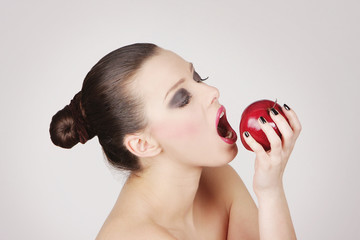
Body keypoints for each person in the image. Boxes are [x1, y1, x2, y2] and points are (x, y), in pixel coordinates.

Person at [50, 43, 301, 240]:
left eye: (198, 78)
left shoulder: (218, 179)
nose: (212, 91)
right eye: (182, 99)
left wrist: (270, 190)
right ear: (142, 144)